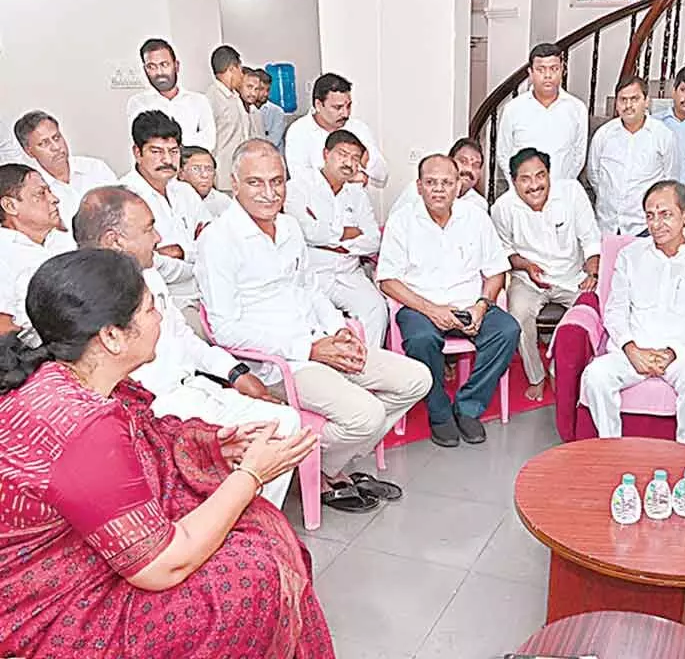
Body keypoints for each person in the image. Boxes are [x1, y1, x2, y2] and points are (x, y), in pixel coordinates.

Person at [0, 248, 332, 658]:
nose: (159, 319)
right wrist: (251, 476)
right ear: (111, 336)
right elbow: (163, 566)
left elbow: (148, 434)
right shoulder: (83, 425)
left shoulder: (71, 378)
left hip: (76, 555)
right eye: (150, 309)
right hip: (48, 607)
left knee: (252, 528)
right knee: (252, 574)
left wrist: (215, 444)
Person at [197, 139, 431, 513]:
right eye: (256, 182)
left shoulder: (289, 227)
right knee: (366, 415)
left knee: (416, 379)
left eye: (278, 181)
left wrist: (337, 329)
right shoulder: (218, 239)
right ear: (234, 182)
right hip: (279, 363)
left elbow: (310, 290)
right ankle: (316, 466)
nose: (269, 193)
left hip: (320, 342)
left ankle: (326, 463)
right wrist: (306, 350)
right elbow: (223, 329)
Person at [73, 186, 302, 508]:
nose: (158, 237)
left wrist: (236, 372)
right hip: (156, 411)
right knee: (254, 440)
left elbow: (185, 338)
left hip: (193, 388)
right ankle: (225, 522)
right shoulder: (86, 298)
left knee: (285, 422)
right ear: (115, 240)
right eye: (148, 228)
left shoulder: (150, 277)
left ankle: (251, 517)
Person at [378, 154, 519, 448]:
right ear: (419, 186)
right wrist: (432, 310)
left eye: (446, 182)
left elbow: (496, 271)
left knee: (507, 331)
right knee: (421, 339)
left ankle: (468, 407)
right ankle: (440, 412)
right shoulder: (402, 221)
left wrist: (481, 306)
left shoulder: (476, 218)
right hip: (420, 306)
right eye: (431, 183)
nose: (439, 189)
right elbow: (388, 280)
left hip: (469, 305)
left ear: (458, 186)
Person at [581, 180, 685, 445]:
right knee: (596, 375)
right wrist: (632, 349)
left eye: (665, 214)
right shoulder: (630, 255)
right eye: (650, 216)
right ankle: (610, 449)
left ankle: (684, 454)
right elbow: (614, 310)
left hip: (682, 354)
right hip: (634, 352)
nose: (656, 224)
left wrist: (672, 352)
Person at [492, 147, 601, 401]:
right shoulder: (502, 208)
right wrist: (526, 266)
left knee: (592, 311)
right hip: (528, 279)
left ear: (549, 175)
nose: (534, 185)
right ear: (513, 180)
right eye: (525, 179)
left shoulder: (572, 193)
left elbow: (591, 239)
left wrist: (593, 273)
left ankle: (561, 370)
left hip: (572, 276)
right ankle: (536, 376)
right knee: (517, 315)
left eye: (540, 176)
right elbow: (505, 252)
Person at [284, 130, 388, 347]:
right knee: (312, 319)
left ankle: (366, 369)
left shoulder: (357, 194)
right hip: (313, 273)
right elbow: (306, 231)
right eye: (343, 154)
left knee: (376, 309)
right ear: (325, 154)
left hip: (349, 272)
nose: (349, 163)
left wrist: (332, 242)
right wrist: (347, 233)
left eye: (355, 158)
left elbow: (373, 240)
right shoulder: (299, 186)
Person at [120, 111, 211, 320]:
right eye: (156, 151)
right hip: (164, 304)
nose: (167, 160)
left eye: (173, 151)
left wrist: (182, 252)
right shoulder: (126, 197)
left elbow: (213, 241)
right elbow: (148, 263)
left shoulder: (185, 191)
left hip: (207, 291)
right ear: (137, 152)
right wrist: (196, 262)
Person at [589, 76, 678, 236]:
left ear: (646, 101)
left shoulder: (663, 136)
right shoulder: (604, 134)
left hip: (644, 227)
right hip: (607, 225)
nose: (628, 105)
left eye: (634, 99)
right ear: (616, 103)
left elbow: (670, 180)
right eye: (623, 100)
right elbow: (594, 175)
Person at [496, 43, 589, 187]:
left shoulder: (577, 109)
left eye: (554, 69)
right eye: (541, 69)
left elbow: (578, 156)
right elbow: (503, 153)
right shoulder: (513, 109)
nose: (548, 75)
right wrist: (519, 187)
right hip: (523, 194)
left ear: (562, 70)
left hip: (561, 194)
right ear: (530, 73)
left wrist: (562, 187)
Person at [0, 164, 76, 336]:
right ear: (10, 206)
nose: (54, 199)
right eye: (41, 194)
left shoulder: (62, 239)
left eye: (50, 191)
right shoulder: (3, 255)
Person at [13, 110, 117, 228]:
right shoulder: (31, 189)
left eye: (56, 138)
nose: (56, 147)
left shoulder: (95, 168)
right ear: (29, 152)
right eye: (44, 143)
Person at [285, 72, 388, 190]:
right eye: (337, 107)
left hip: (356, 205)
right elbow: (301, 181)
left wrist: (366, 160)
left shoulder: (358, 128)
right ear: (318, 104)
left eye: (348, 106)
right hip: (317, 206)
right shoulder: (299, 131)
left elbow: (382, 177)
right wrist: (347, 177)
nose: (345, 113)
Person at [126, 37, 216, 150]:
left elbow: (208, 143)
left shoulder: (198, 101)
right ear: (145, 70)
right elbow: (143, 144)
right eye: (151, 67)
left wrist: (164, 143)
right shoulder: (139, 103)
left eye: (164, 64)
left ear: (176, 66)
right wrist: (188, 141)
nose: (159, 72)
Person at [389, 137, 489, 216]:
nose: (469, 169)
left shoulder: (479, 204)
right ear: (450, 161)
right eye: (463, 161)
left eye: (476, 165)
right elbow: (395, 224)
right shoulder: (418, 190)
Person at [204, 45, 253, 192]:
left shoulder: (235, 97)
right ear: (232, 68)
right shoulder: (212, 99)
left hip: (242, 173)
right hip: (223, 179)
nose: (242, 75)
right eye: (241, 70)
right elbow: (209, 142)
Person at [179, 145, 233, 217]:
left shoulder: (223, 202)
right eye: (196, 169)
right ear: (181, 173)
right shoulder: (172, 200)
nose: (204, 175)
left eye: (209, 169)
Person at [254, 68, 287, 151]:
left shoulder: (277, 112)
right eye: (261, 89)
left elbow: (272, 143)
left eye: (268, 90)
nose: (265, 94)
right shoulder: (246, 110)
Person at [238, 65, 267, 140]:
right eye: (249, 87)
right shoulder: (232, 109)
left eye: (256, 89)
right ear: (239, 86)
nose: (253, 93)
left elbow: (261, 139)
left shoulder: (255, 112)